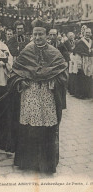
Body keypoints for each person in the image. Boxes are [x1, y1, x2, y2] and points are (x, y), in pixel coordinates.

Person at [8, 19, 68, 173]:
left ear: (47, 35)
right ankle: (28, 163)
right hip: (30, 95)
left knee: (46, 129)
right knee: (29, 129)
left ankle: (46, 165)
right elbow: (14, 72)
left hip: (47, 96)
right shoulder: (27, 51)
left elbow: (64, 74)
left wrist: (54, 81)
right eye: (35, 34)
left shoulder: (54, 53)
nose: (38, 37)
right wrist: (21, 82)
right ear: (32, 34)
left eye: (41, 34)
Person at [73, 28, 93, 98]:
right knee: (81, 77)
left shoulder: (91, 42)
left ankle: (88, 94)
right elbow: (77, 54)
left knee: (89, 77)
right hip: (82, 60)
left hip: (90, 61)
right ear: (84, 33)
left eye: (89, 32)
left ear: (91, 33)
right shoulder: (80, 42)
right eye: (86, 32)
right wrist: (79, 64)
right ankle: (81, 94)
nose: (88, 34)